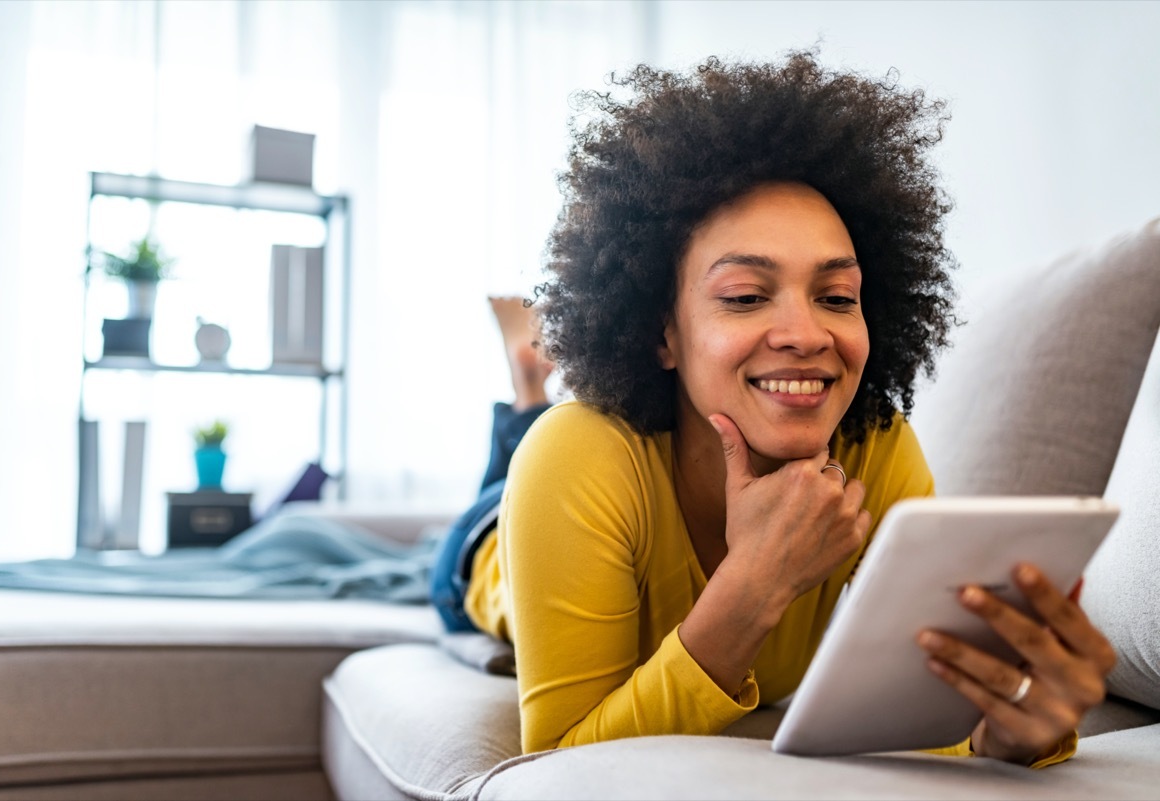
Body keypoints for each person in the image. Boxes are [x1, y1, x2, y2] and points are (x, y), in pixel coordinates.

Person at [429, 51, 1115, 766]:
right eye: (747, 296)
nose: (807, 333)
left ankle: (527, 383)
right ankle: (528, 394)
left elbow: (934, 727)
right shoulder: (576, 457)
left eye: (837, 297)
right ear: (663, 329)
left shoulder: (873, 448)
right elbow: (558, 772)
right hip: (479, 560)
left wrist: (1012, 730)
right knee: (498, 485)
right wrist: (753, 585)